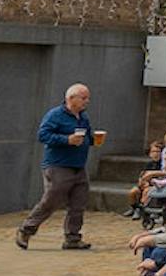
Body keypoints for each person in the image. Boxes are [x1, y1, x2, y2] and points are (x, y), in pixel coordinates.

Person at [16, 81, 104, 251]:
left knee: (78, 203)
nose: (87, 101)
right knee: (51, 200)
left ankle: (72, 238)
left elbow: (85, 136)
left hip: (79, 165)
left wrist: (93, 140)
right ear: (71, 98)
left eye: (88, 98)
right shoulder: (55, 115)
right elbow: (43, 135)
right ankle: (26, 229)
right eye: (84, 98)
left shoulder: (83, 117)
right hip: (58, 166)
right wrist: (66, 140)